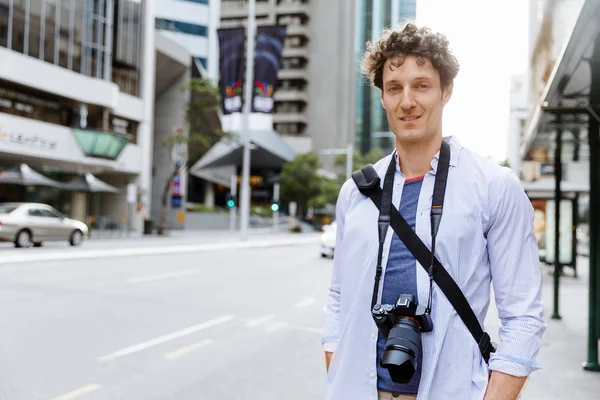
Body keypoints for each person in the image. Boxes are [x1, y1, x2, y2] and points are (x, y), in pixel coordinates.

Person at [322, 23, 546, 400]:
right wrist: (337, 369)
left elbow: (523, 318)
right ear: (382, 98)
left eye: (421, 85)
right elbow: (337, 299)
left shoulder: (494, 187)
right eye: (395, 88)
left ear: (446, 91)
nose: (407, 101)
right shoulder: (355, 193)